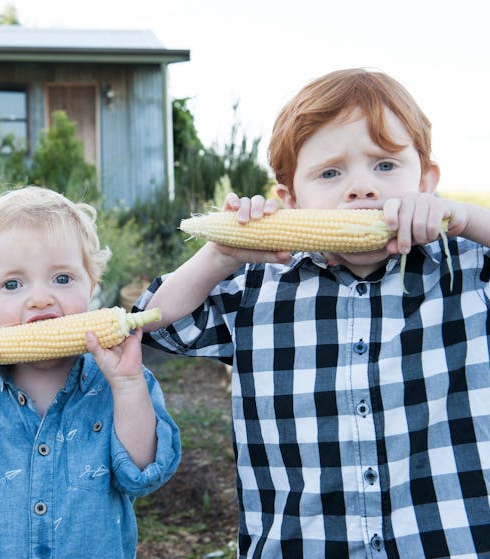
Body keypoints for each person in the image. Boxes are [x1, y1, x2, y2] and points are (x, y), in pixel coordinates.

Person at [134, 68, 490, 557]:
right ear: (291, 201)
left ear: (427, 181)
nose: (361, 188)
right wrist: (219, 254)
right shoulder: (253, 288)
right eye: (330, 172)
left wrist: (468, 218)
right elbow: (151, 325)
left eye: (386, 166)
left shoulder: (468, 268)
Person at [0, 186, 180, 558]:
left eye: (62, 279)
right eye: (12, 284)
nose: (40, 298)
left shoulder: (119, 378)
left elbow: (143, 473)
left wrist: (128, 385)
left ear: (92, 285)